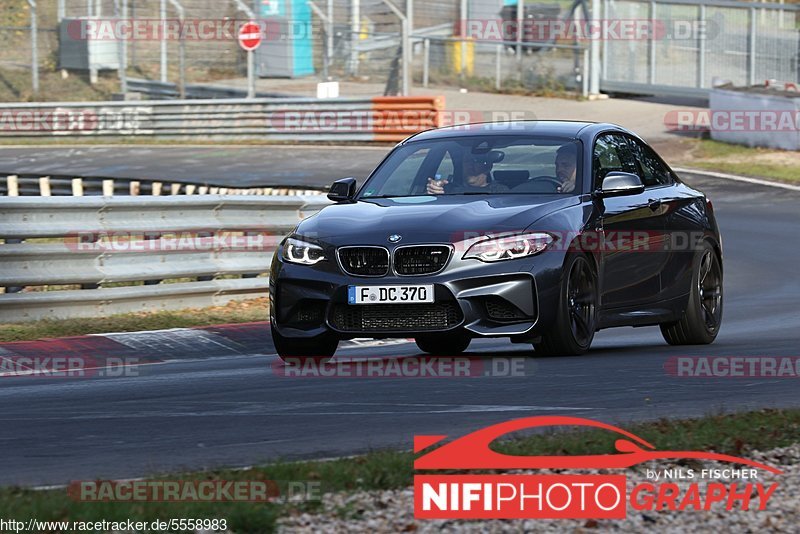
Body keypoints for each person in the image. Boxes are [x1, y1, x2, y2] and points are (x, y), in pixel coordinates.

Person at [426, 152, 509, 195]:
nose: (470, 165)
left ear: (488, 167)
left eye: (475, 161)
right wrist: (433, 192)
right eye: (467, 161)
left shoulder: (500, 191)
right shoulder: (448, 190)